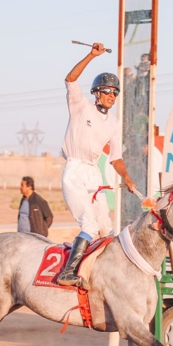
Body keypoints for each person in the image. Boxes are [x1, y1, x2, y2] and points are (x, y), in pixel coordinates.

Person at [56, 42, 136, 289]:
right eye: (108, 91)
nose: (112, 96)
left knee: (107, 230)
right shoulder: (81, 106)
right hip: (75, 171)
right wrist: (92, 55)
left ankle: (105, 275)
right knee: (89, 225)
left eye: (115, 93)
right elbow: (70, 79)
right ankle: (68, 272)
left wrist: (127, 178)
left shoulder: (113, 122)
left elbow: (115, 157)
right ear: (97, 92)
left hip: (95, 173)